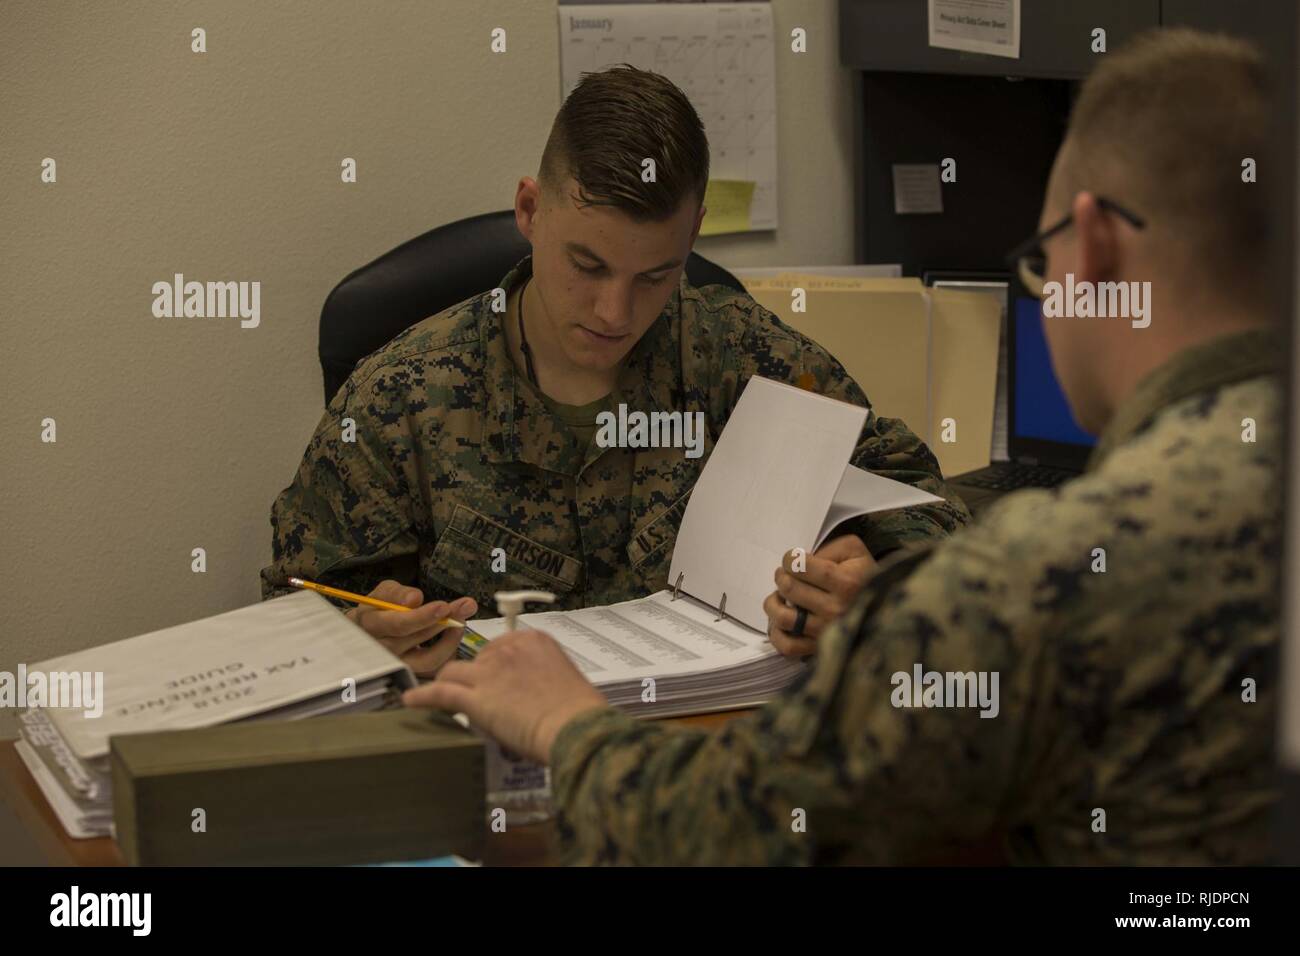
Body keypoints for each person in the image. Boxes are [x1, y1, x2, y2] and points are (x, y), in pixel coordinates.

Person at [404, 28, 1284, 865]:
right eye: (588, 268)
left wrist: (564, 724)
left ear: (1089, 251)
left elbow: (742, 834)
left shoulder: (1045, 578)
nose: (613, 311)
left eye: (1040, 262)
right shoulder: (408, 383)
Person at [260, 65, 968, 676]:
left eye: (656, 275)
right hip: (495, 778)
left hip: (701, 759)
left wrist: (872, 568)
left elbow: (919, 494)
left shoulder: (736, 354)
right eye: (587, 265)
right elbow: (289, 617)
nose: (614, 312)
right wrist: (362, 641)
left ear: (691, 241)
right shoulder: (400, 399)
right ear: (531, 211)